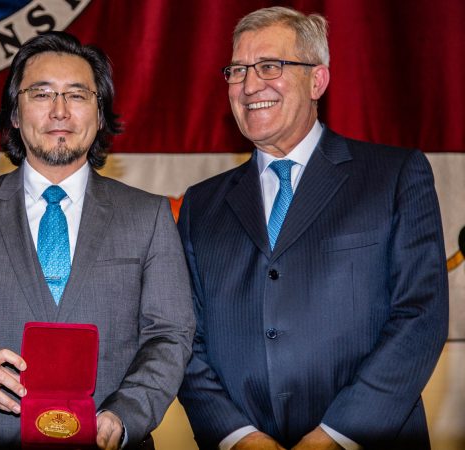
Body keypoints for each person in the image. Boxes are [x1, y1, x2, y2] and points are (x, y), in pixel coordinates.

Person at [177, 6, 448, 450]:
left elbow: (420, 317)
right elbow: (185, 337)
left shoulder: (394, 177)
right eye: (237, 70)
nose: (249, 85)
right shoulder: (200, 206)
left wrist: (335, 437)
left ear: (317, 80)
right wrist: (238, 437)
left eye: (270, 66)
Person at [0, 31, 195, 449]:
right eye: (42, 94)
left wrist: (125, 415)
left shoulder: (149, 216)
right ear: (15, 112)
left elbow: (170, 334)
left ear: (100, 115)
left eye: (77, 95)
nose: (60, 110)